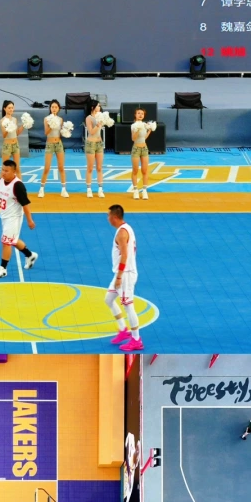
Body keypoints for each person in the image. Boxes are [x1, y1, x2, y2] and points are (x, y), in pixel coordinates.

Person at [0, 160, 37, 279]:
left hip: (14, 218)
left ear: (14, 171)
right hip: (4, 217)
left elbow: (25, 204)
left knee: (6, 242)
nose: (3, 173)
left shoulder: (17, 185)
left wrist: (30, 220)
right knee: (12, 240)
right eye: (2, 170)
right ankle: (30, 255)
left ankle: (3, 269)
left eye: (6, 171)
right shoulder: (0, 181)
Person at [107, 205, 142, 352]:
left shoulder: (122, 233)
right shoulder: (126, 228)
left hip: (125, 274)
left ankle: (136, 339)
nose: (108, 218)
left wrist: (119, 276)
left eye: (109, 215)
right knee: (108, 299)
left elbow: (125, 255)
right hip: (122, 272)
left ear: (115, 217)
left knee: (128, 306)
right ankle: (123, 330)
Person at [39, 99, 69, 198]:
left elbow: (60, 132)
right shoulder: (46, 119)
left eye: (56, 107)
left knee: (61, 167)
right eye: (52, 107)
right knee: (47, 167)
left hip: (59, 144)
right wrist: (52, 125)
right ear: (50, 108)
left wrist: (66, 131)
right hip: (49, 144)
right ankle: (41, 189)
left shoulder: (60, 119)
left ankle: (64, 189)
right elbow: (46, 132)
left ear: (59, 108)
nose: (54, 109)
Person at [128, 107, 153, 200]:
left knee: (145, 170)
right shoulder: (133, 126)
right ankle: (135, 190)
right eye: (138, 113)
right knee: (135, 170)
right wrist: (137, 130)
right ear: (135, 115)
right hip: (136, 149)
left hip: (144, 149)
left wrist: (150, 130)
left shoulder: (145, 125)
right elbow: (133, 138)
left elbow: (144, 137)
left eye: (142, 114)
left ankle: (145, 190)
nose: (140, 115)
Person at [84, 101, 108, 199]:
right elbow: (91, 131)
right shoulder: (89, 118)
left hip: (99, 144)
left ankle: (100, 189)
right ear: (92, 107)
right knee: (90, 168)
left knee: (99, 167)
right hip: (91, 144)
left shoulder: (100, 116)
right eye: (98, 106)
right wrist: (98, 125)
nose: (99, 107)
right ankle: (89, 189)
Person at [0, 100, 22, 177]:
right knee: (5, 168)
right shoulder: (2, 121)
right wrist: (8, 129)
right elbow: (4, 135)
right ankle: (0, 184)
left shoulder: (14, 119)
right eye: (9, 108)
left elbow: (17, 133)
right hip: (7, 146)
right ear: (4, 108)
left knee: (17, 168)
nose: (11, 109)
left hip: (15, 145)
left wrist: (24, 125)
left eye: (12, 108)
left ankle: (19, 184)